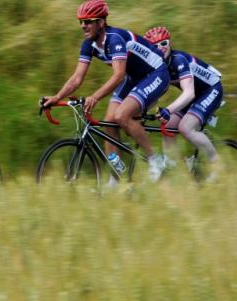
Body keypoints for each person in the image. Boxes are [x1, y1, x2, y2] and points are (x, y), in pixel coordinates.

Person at [42, 0, 171, 182]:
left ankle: (155, 160)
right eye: (81, 22)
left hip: (156, 74)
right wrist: (56, 97)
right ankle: (115, 177)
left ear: (101, 22)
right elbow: (77, 78)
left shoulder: (114, 39)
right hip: (133, 77)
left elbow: (118, 75)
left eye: (88, 22)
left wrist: (95, 97)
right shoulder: (89, 44)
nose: (83, 26)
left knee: (122, 116)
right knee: (109, 123)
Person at [144, 26, 224, 181]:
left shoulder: (178, 60)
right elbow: (157, 91)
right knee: (167, 125)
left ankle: (217, 165)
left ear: (170, 43)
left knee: (185, 128)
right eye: (155, 46)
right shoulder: (159, 66)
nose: (161, 48)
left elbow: (189, 93)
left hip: (211, 90)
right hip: (195, 94)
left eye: (164, 43)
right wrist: (142, 110)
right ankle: (174, 167)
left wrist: (168, 109)